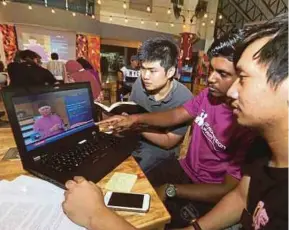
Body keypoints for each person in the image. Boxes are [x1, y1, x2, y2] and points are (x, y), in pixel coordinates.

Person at [61, 14, 287, 230]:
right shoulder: (214, 101)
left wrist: (96, 216)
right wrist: (134, 119)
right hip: (182, 169)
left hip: (200, 188)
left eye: (241, 77)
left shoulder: (250, 134)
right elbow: (176, 115)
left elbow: (227, 190)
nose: (212, 80)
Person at [128, 37, 193, 172]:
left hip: (161, 151)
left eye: (152, 71)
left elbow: (169, 142)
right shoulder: (139, 84)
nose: (145, 76)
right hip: (133, 139)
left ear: (170, 72)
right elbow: (130, 110)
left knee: (134, 173)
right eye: (143, 69)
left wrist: (134, 124)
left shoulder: (185, 99)